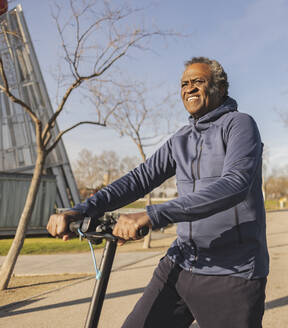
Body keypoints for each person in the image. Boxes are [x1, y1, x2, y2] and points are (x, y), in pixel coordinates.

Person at [47, 57, 269, 328]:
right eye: (184, 84)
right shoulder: (181, 139)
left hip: (232, 271)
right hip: (182, 261)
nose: (190, 88)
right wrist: (82, 209)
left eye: (199, 81)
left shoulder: (239, 125)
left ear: (220, 89)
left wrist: (153, 215)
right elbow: (139, 180)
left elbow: (235, 184)